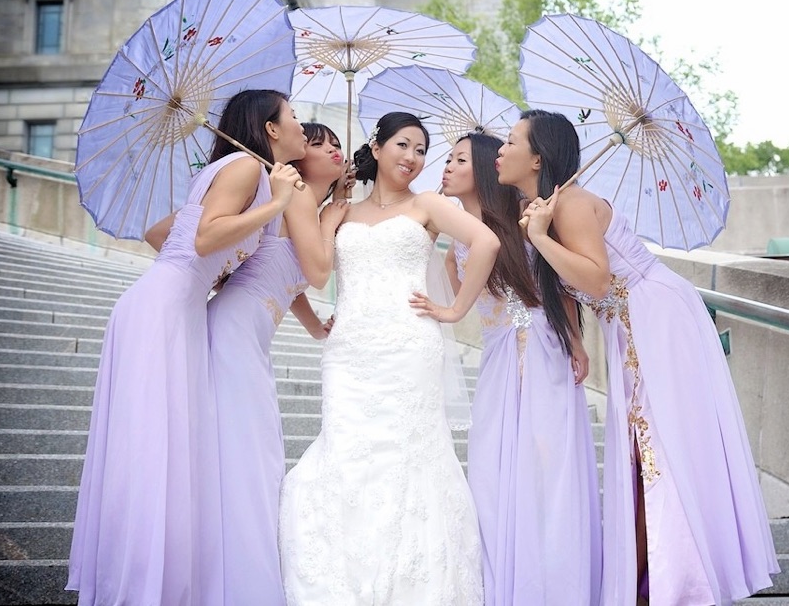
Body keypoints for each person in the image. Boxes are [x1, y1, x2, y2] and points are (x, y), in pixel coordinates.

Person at [500, 109, 779, 606]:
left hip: (656, 316)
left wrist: (539, 238)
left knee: (654, 445)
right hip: (631, 325)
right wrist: (576, 337)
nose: (500, 150)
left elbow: (597, 279)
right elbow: (568, 286)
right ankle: (649, 584)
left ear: (537, 157)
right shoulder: (548, 208)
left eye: (510, 140)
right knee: (641, 449)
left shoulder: (570, 206)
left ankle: (674, 587)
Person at [67, 89, 306, 605]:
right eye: (292, 116)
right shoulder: (246, 168)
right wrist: (278, 204)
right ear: (269, 128)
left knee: (159, 445)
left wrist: (206, 276)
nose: (299, 125)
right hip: (162, 311)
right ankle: (139, 587)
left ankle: (148, 582)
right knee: (153, 447)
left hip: (171, 305)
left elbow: (163, 233)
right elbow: (202, 239)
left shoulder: (243, 172)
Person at [278, 112, 499, 604]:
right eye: (403, 145)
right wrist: (329, 205)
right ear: (376, 148)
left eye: (422, 150)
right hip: (349, 351)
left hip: (408, 346)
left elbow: (486, 241)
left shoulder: (428, 204)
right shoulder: (340, 212)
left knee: (407, 459)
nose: (413, 158)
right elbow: (312, 275)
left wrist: (454, 310)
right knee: (347, 453)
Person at [441, 132, 602, 605]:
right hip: (497, 360)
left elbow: (556, 288)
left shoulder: (522, 220)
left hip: (538, 354)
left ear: (488, 167)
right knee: (491, 475)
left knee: (545, 471)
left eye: (460, 159)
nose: (447, 166)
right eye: (447, 158)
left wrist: (574, 341)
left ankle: (551, 588)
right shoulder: (457, 242)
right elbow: (467, 304)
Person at [204, 122, 350, 605]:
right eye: (319, 142)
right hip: (235, 329)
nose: (333, 148)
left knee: (250, 450)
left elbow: (285, 275)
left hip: (248, 331)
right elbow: (318, 272)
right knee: (254, 452)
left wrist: (312, 326)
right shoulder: (300, 195)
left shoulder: (303, 199)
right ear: (298, 155)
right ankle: (239, 574)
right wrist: (331, 221)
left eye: (337, 143)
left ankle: (229, 563)